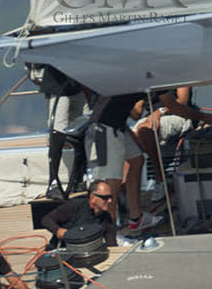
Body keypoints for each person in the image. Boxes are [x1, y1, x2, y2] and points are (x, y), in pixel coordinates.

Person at [85, 90, 153, 231]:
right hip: (106, 127)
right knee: (113, 181)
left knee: (136, 160)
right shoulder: (138, 85)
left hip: (118, 126)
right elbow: (136, 114)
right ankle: (110, 231)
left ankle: (136, 218)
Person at [32, 63, 89, 199]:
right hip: (58, 87)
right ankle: (53, 183)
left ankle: (80, 179)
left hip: (77, 86)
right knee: (58, 134)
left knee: (85, 130)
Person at [35, 179, 121, 250]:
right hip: (62, 250)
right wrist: (58, 230)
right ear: (92, 198)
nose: (110, 201)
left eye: (111, 197)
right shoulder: (73, 206)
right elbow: (46, 220)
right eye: (105, 198)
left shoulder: (107, 218)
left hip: (87, 253)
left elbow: (111, 244)